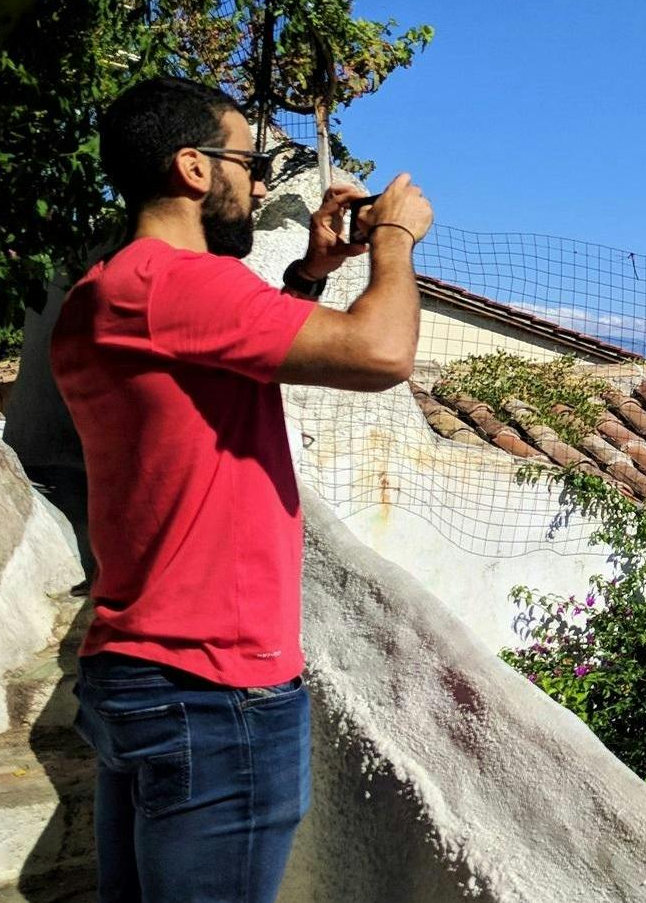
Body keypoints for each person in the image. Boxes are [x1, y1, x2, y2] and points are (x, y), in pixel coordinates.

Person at [50, 76, 433, 903]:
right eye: (248, 162)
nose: (260, 184)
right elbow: (381, 353)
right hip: (214, 688)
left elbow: (218, 372)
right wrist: (396, 240)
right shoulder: (175, 285)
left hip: (140, 671)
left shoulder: (103, 292)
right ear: (193, 168)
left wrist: (310, 272)